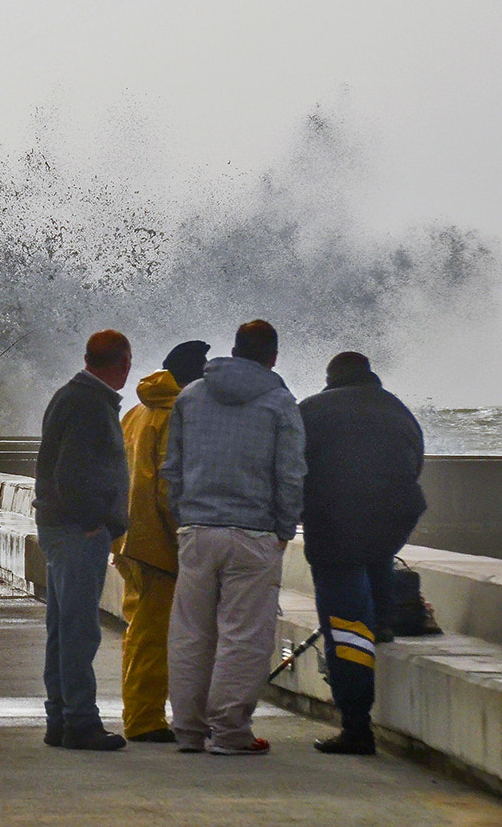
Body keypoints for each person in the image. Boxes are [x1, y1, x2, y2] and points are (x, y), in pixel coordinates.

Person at [161, 320, 305, 756]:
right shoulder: (280, 403)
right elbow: (291, 475)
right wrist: (284, 528)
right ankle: (229, 732)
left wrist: (185, 517)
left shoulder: (190, 396)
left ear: (234, 350)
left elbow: (172, 468)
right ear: (273, 357)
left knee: (190, 633)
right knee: (243, 636)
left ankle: (188, 729)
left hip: (197, 531)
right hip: (254, 534)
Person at [298, 352, 426, 756]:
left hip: (335, 528)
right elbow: (415, 462)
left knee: (347, 625)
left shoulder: (313, 410)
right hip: (392, 522)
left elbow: (292, 468)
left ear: (330, 378)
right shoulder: (396, 407)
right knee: (377, 568)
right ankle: (383, 623)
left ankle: (356, 726)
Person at [34, 329, 132, 751]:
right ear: (122, 363)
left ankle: (60, 718)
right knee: (78, 630)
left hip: (60, 527)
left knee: (62, 626)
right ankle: (80, 722)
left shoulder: (70, 395)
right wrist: (97, 519)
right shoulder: (90, 403)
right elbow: (72, 472)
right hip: (77, 531)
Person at [111, 340, 209, 744]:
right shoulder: (175, 414)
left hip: (130, 537)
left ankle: (141, 712)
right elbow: (171, 486)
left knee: (141, 632)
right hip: (158, 543)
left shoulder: (136, 411)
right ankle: (145, 719)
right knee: (154, 636)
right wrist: (184, 539)